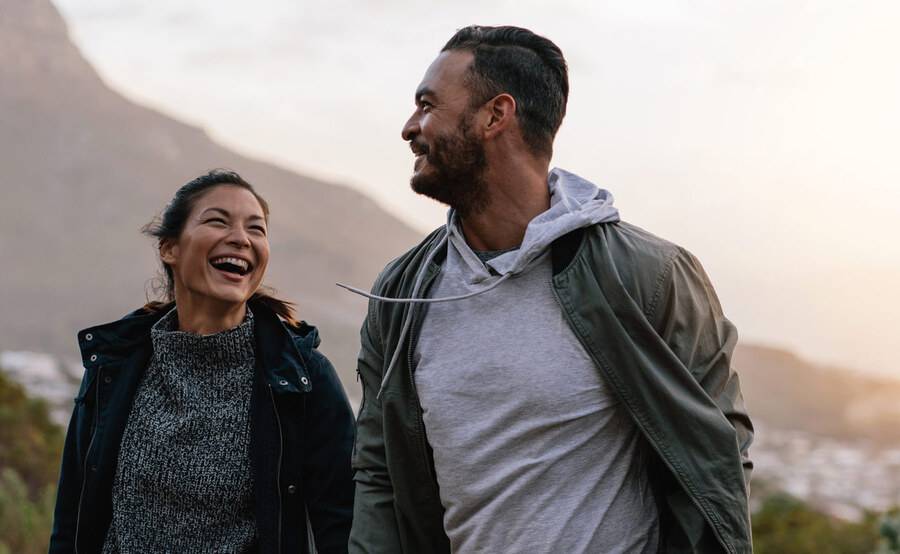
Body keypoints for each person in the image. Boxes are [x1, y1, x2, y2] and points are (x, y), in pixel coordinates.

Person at [344, 26, 754, 553]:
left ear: (496, 115)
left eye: (427, 105)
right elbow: (379, 471)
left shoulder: (651, 276)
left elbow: (717, 453)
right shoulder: (401, 294)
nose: (409, 127)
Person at [50, 170, 355, 554]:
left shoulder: (302, 376)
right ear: (169, 248)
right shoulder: (114, 365)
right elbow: (71, 518)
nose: (241, 239)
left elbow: (341, 524)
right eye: (217, 221)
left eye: (256, 229)